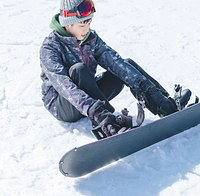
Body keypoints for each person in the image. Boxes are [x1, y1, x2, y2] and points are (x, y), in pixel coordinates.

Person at [40, 0, 191, 137]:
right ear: (68, 24)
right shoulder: (50, 47)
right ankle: (108, 123)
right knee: (79, 70)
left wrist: (144, 86)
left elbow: (114, 61)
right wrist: (97, 112)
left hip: (89, 96)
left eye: (88, 23)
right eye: (82, 25)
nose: (86, 29)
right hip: (64, 106)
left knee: (125, 64)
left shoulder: (91, 38)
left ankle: (164, 105)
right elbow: (64, 86)